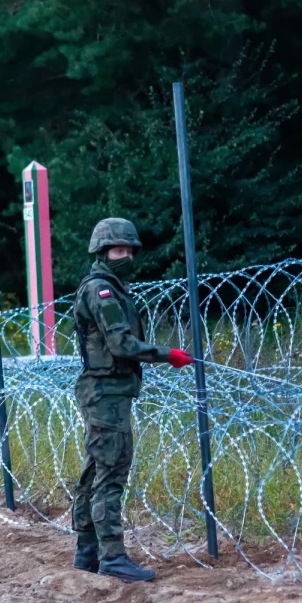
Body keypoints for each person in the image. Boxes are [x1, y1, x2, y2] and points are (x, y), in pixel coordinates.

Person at [71, 218, 194, 583]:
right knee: (110, 473)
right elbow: (121, 344)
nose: (124, 255)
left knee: (95, 471)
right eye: (117, 250)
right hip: (105, 392)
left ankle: (87, 552)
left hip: (108, 391)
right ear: (102, 251)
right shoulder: (101, 291)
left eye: (128, 249)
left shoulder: (113, 287)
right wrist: (165, 354)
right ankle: (112, 557)